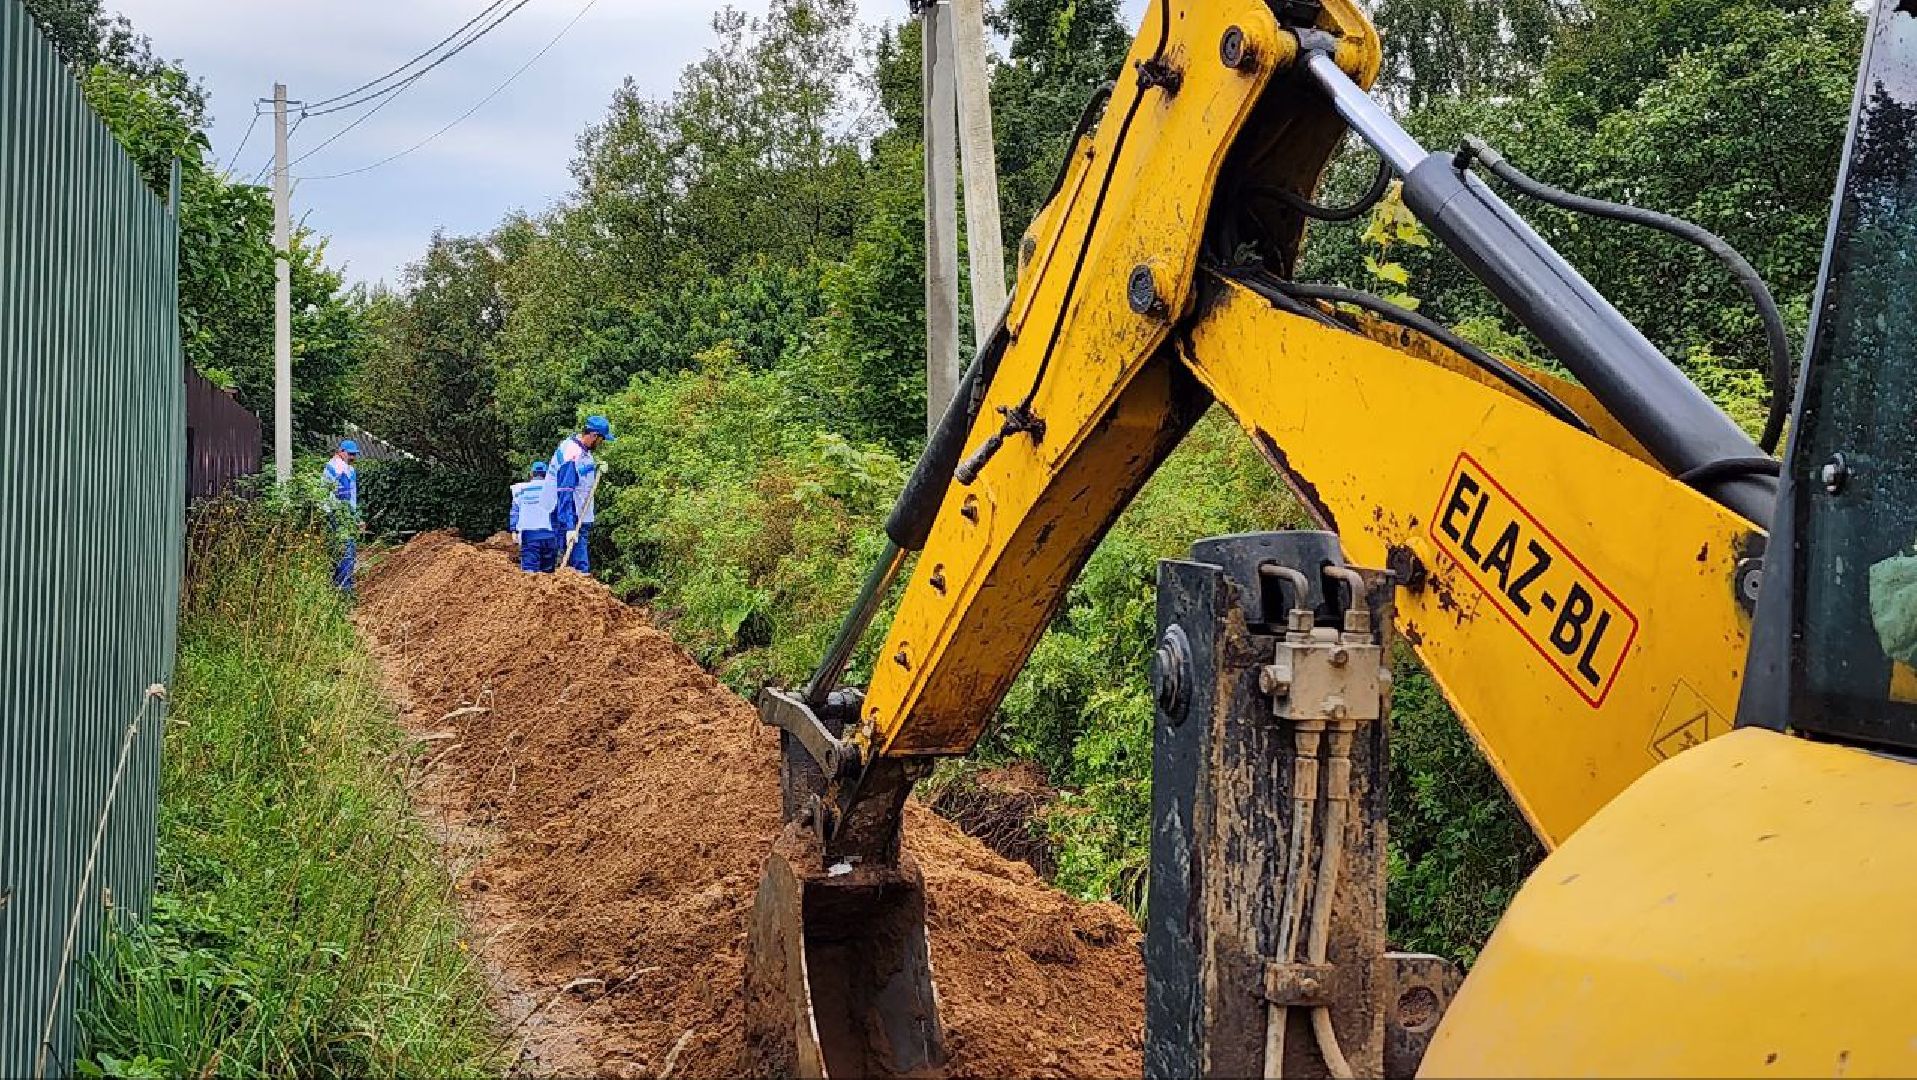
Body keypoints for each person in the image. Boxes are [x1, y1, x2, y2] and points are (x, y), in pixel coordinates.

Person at [544, 414, 614, 574]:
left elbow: (579, 473)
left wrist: (594, 466)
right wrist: (569, 527)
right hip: (570, 515)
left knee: (576, 564)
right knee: (579, 566)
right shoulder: (572, 454)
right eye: (601, 440)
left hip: (578, 512)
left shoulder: (580, 448)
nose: (601, 444)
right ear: (594, 435)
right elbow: (565, 491)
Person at [322, 439, 361, 592]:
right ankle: (344, 589)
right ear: (342, 451)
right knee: (347, 550)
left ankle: (337, 584)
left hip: (336, 512)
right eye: (351, 454)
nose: (353, 457)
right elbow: (344, 495)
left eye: (355, 455)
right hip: (341, 514)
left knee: (338, 549)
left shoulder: (333, 466)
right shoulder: (340, 468)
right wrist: (352, 516)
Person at [510, 460, 558, 572]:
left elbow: (515, 511)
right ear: (546, 474)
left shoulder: (520, 490)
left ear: (532, 473)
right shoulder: (553, 490)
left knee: (529, 573)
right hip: (550, 535)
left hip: (529, 535)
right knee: (548, 574)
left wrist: (514, 530)